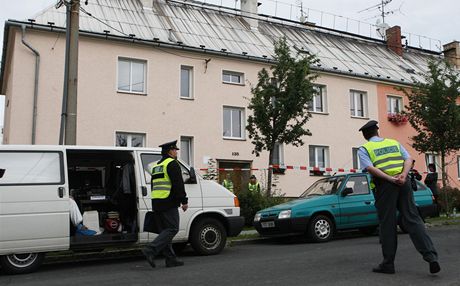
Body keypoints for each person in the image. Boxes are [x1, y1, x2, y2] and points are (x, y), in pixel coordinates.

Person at [358, 120, 440, 275]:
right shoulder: (394, 143)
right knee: (413, 219)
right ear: (377, 131)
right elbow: (409, 159)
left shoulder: (365, 148)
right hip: (404, 183)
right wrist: (403, 175)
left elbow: (370, 168)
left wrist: (390, 179)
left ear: (365, 135)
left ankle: (388, 264)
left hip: (385, 186)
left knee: (387, 224)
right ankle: (431, 257)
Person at [142, 140, 188, 268]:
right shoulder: (172, 164)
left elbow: (154, 185)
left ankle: (170, 259)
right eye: (175, 150)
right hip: (168, 202)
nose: (176, 152)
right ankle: (150, 249)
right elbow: (178, 184)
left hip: (157, 202)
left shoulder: (157, 166)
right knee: (172, 228)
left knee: (164, 231)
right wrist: (184, 201)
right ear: (170, 151)